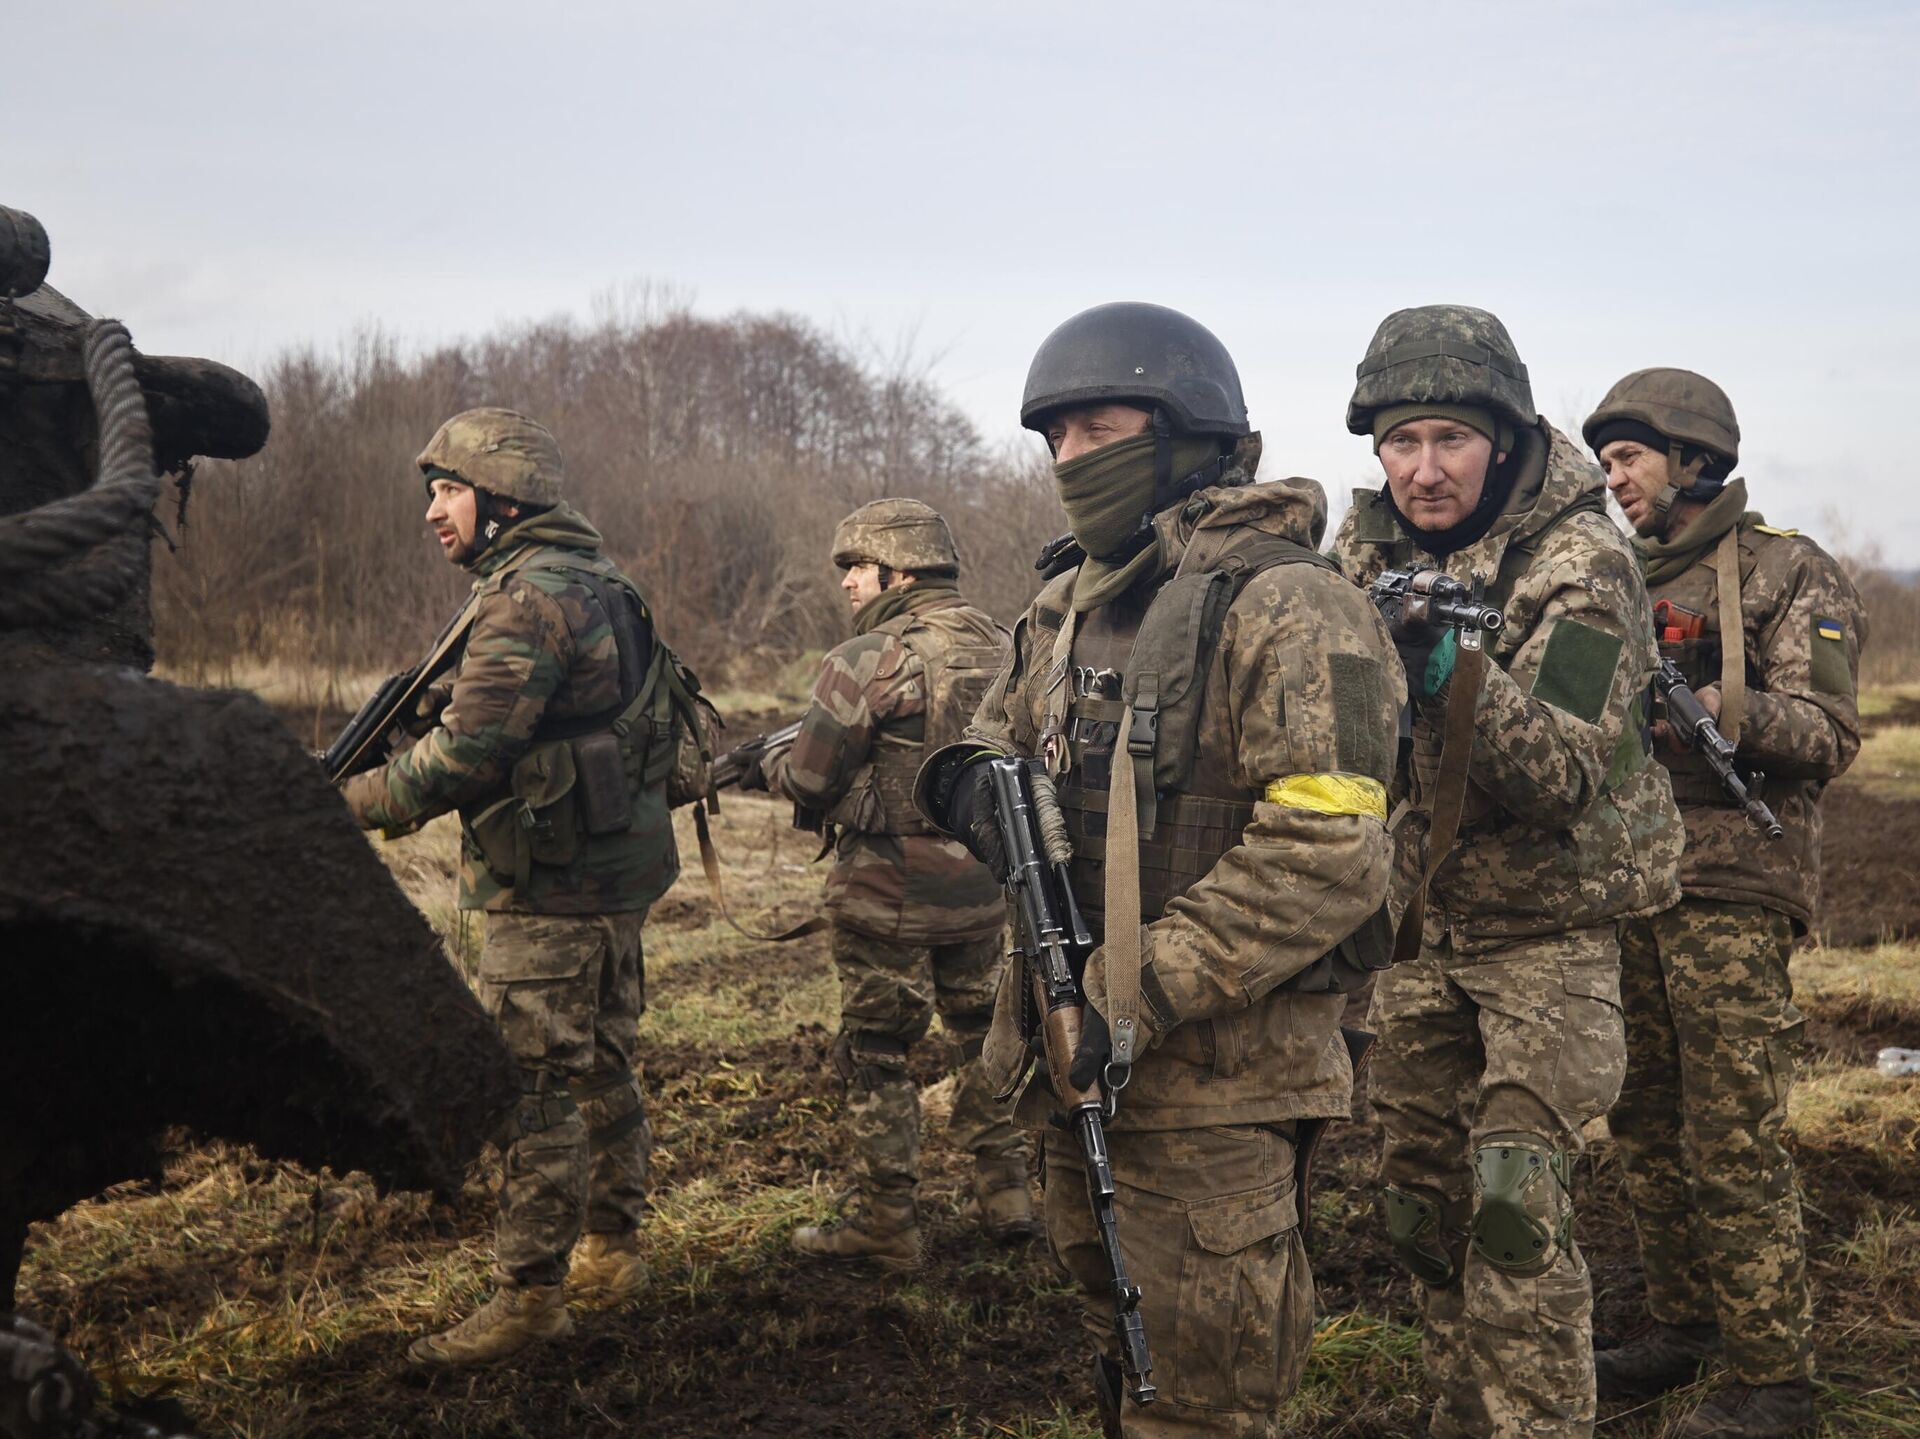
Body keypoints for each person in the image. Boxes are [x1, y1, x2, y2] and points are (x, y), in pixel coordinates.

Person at [919, 302, 1402, 1437]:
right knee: (1119, 1369)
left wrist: (1131, 990)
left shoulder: (1290, 602)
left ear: (1188, 430)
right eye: (1056, 440)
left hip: (1219, 1081)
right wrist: (983, 798)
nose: (1073, 458)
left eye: (1099, 427)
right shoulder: (1069, 599)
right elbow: (993, 748)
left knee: (1201, 1404)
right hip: (1076, 1061)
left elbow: (1331, 848)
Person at [1328, 305, 1684, 1439]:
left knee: (1516, 1210)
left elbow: (1569, 771)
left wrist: (1447, 669)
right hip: (1422, 932)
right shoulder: (1360, 553)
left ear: (1502, 435)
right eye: (1400, 444)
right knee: (1422, 1208)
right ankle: (1460, 1414)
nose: (1424, 471)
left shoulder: (1582, 562)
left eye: (1449, 440)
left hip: (1551, 933)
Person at [341, 407, 686, 1366]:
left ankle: (530, 1295)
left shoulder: (526, 598)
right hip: (613, 874)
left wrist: (342, 804)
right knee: (601, 1063)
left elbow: (465, 755)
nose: (431, 512)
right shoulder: (603, 579)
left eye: (447, 491)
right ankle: (614, 1250)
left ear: (501, 500)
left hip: (551, 886)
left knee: (532, 1087)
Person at [1584, 369, 1866, 1438]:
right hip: (1629, 876)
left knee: (1733, 1133)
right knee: (1645, 1121)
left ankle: (1774, 1377)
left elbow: (1832, 735)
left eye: (1630, 458)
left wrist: (1716, 706)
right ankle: (1685, 1324)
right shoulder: (1603, 573)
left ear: (1694, 457)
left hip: (1735, 887)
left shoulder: (1789, 570)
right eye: (1606, 462)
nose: (1615, 479)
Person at [743, 499, 1032, 1266]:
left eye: (856, 568)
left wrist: (768, 760)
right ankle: (1007, 1191)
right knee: (984, 1037)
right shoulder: (1008, 643)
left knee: (876, 1050)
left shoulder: (869, 656)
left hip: (887, 895)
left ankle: (886, 1220)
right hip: (986, 888)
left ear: (899, 572)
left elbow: (809, 777)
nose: (845, 584)